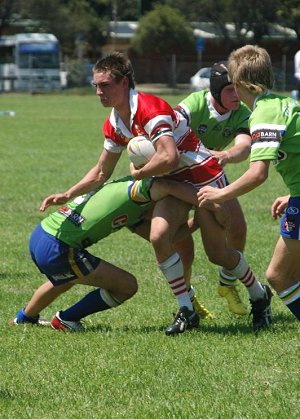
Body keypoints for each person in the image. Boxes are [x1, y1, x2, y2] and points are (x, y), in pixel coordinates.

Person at [40, 52, 268, 334]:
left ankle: (259, 295)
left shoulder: (150, 108)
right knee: (159, 237)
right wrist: (68, 193)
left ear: (124, 83)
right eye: (96, 85)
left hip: (203, 178)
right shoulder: (114, 122)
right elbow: (101, 172)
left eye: (105, 85)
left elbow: (169, 157)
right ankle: (186, 310)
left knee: (219, 254)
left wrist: (139, 174)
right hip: (171, 182)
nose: (99, 92)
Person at [12, 176, 211, 331]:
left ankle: (25, 318)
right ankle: (67, 319)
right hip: (58, 247)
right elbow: (168, 186)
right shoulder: (140, 189)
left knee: (66, 277)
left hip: (42, 233)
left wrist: (199, 221)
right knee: (126, 286)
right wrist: (213, 202)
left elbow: (169, 236)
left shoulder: (131, 203)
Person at [198, 44, 300, 322]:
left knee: (278, 276)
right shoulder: (282, 103)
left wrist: (219, 195)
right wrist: (292, 196)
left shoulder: (264, 114)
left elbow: (258, 174)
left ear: (241, 83)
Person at [175, 61, 251, 316]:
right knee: (182, 243)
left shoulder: (241, 111)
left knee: (237, 228)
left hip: (211, 173)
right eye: (230, 89)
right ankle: (187, 300)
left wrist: (226, 155)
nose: (236, 95)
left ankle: (227, 284)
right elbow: (168, 127)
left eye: (239, 89)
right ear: (216, 91)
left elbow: (244, 145)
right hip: (178, 175)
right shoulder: (194, 104)